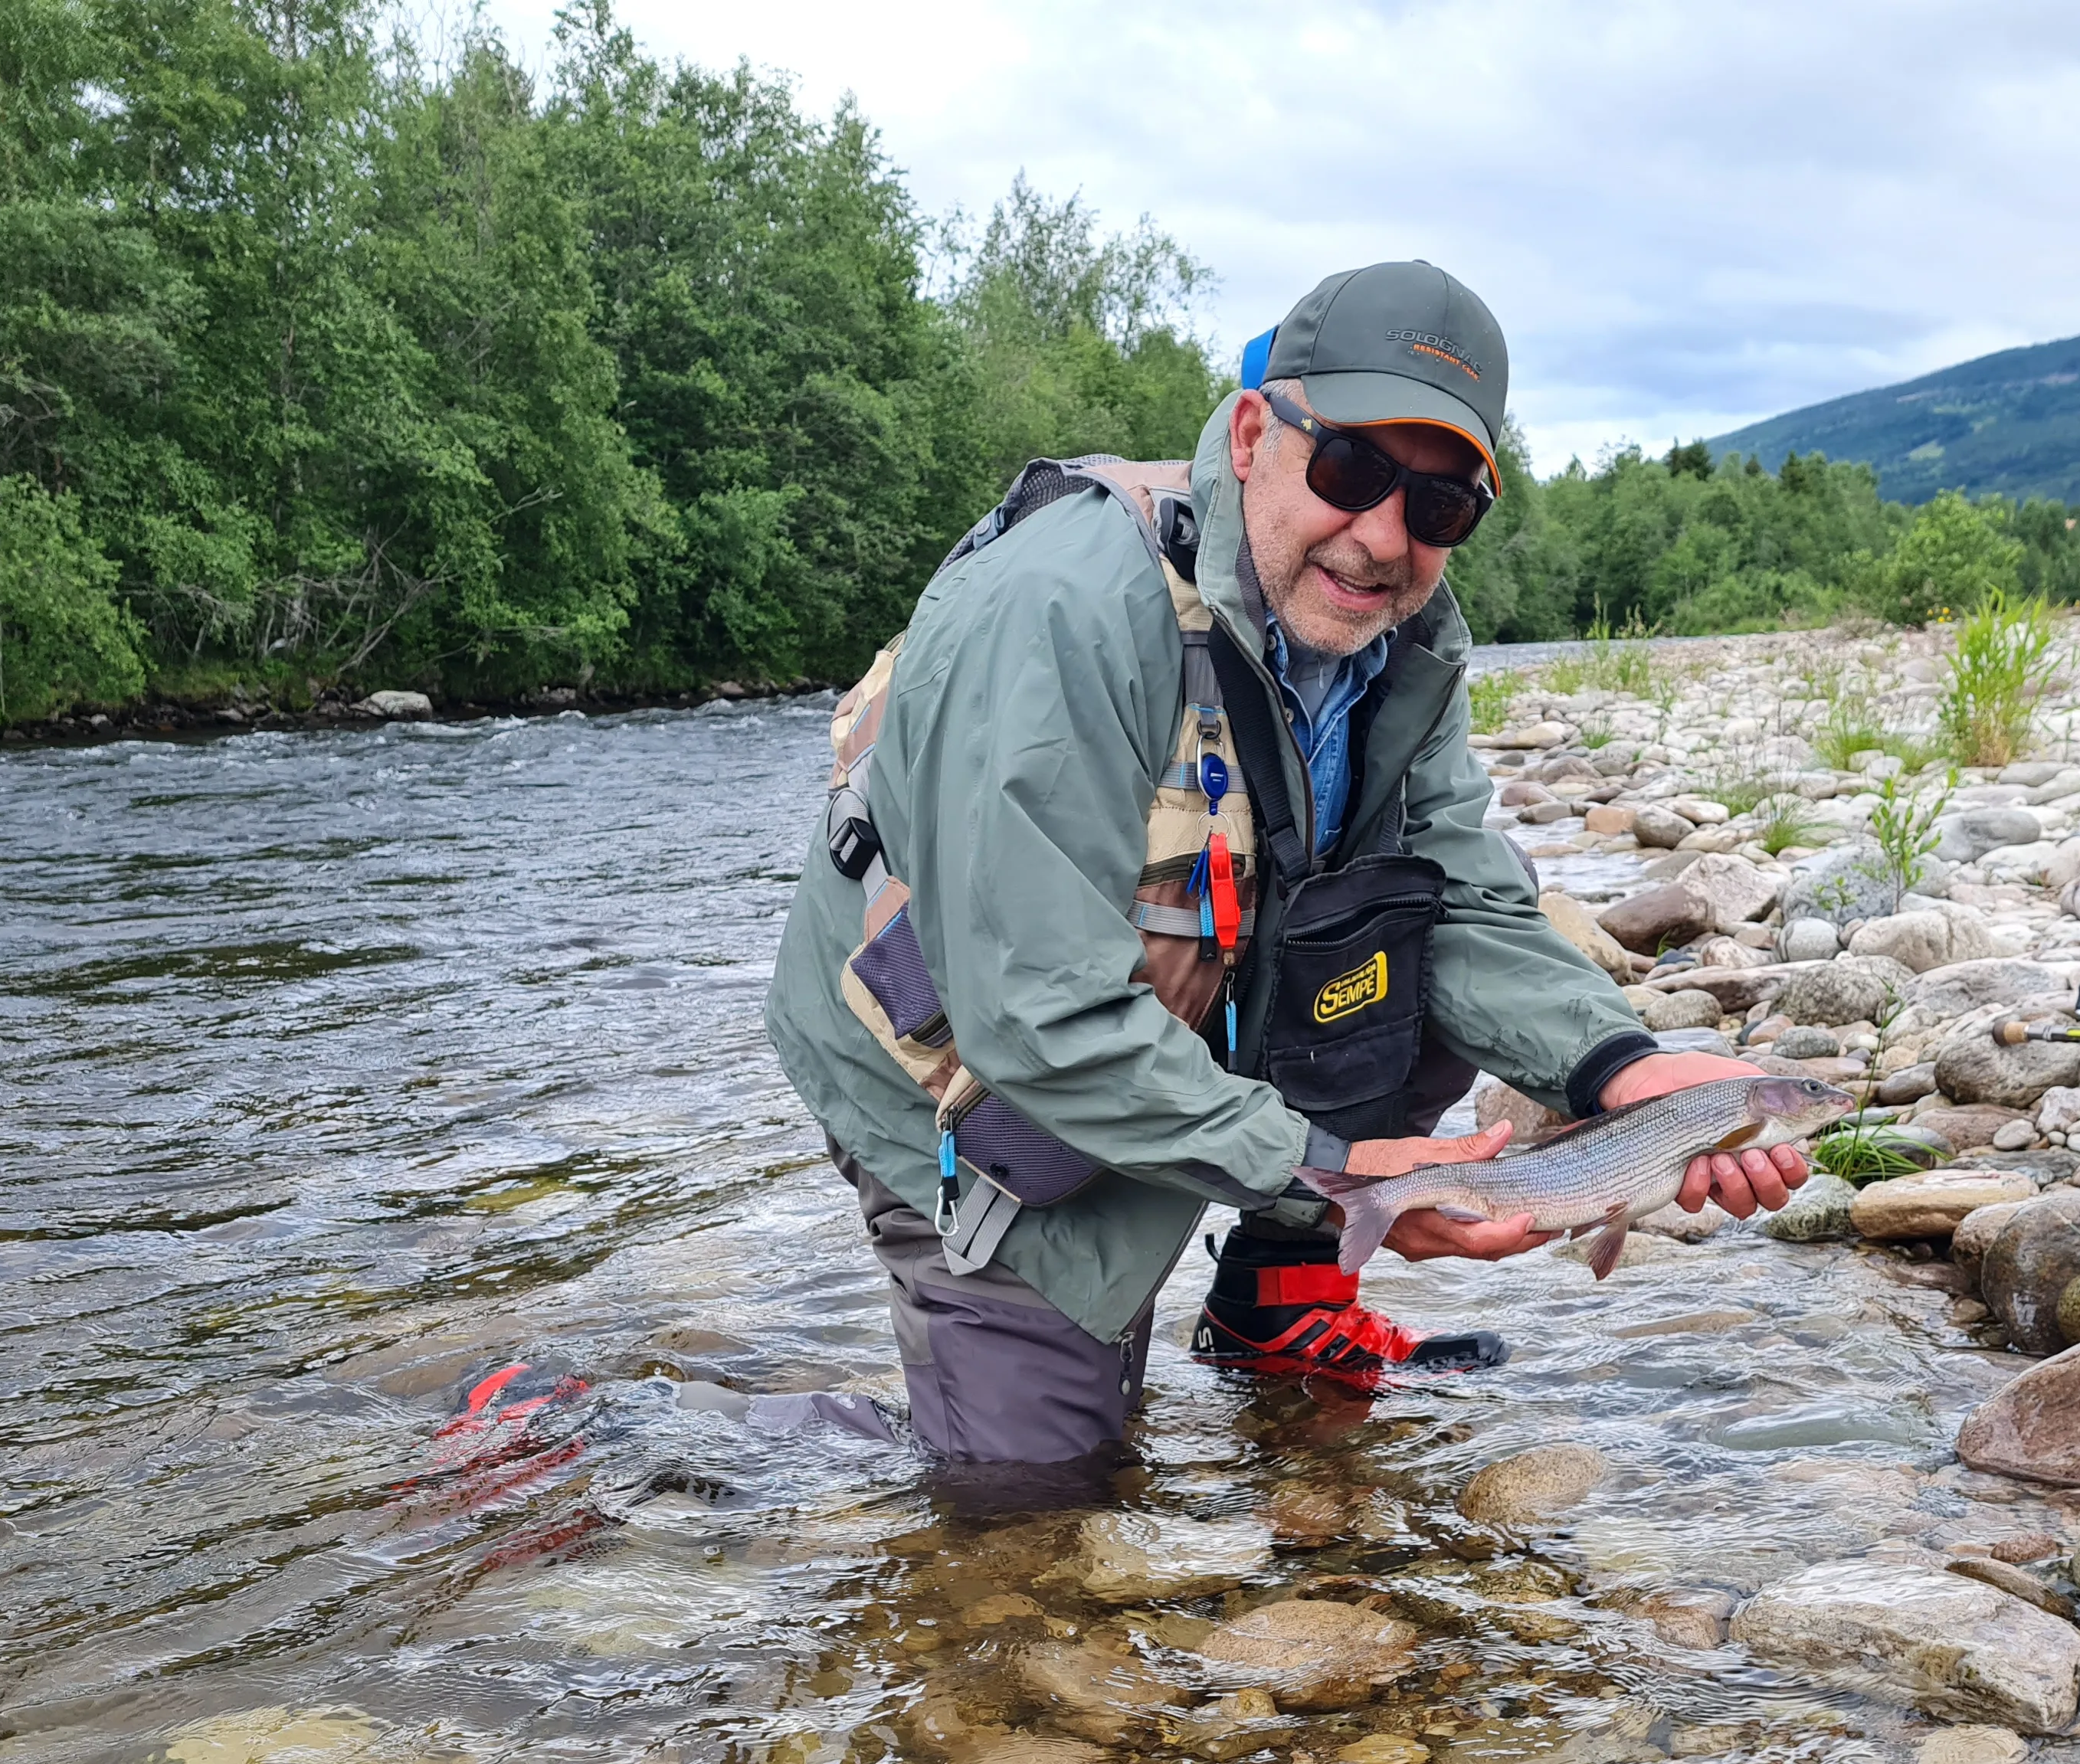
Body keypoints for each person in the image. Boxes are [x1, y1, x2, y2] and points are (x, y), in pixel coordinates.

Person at [765, 260, 1805, 1469]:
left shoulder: (1403, 642)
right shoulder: (1060, 613)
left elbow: (1463, 899)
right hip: (967, 1074)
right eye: (1352, 470)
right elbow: (1034, 1017)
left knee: (1403, 929)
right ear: (1257, 433)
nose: (1381, 539)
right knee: (1031, 1498)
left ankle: (1278, 1295)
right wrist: (1335, 1174)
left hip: (1177, 998)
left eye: (1439, 506)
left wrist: (1624, 1069)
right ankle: (625, 1428)